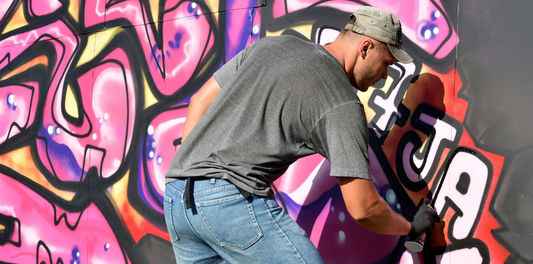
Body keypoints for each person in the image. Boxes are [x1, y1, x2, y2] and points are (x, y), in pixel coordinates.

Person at [163, 6, 439, 263]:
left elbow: (200, 99)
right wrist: (410, 226)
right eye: (386, 63)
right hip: (231, 202)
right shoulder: (341, 102)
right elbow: (363, 208)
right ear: (366, 47)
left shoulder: (273, 45)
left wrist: (193, 167)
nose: (384, 76)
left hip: (178, 198)